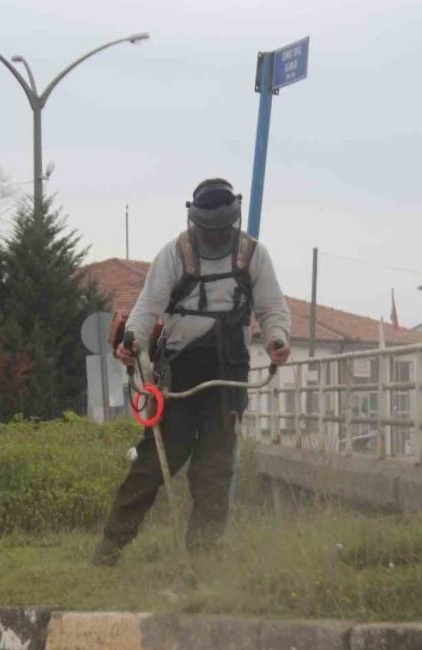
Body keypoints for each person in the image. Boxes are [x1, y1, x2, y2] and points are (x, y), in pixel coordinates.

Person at [92, 177, 291, 566]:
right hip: (180, 373)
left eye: (221, 230)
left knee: (214, 471)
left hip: (229, 373)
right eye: (206, 229)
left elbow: (272, 309)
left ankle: (203, 556)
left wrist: (277, 340)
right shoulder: (175, 254)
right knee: (151, 465)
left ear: (231, 223)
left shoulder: (253, 255)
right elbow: (148, 306)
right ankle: (110, 548)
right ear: (193, 221)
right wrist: (132, 338)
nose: (213, 237)